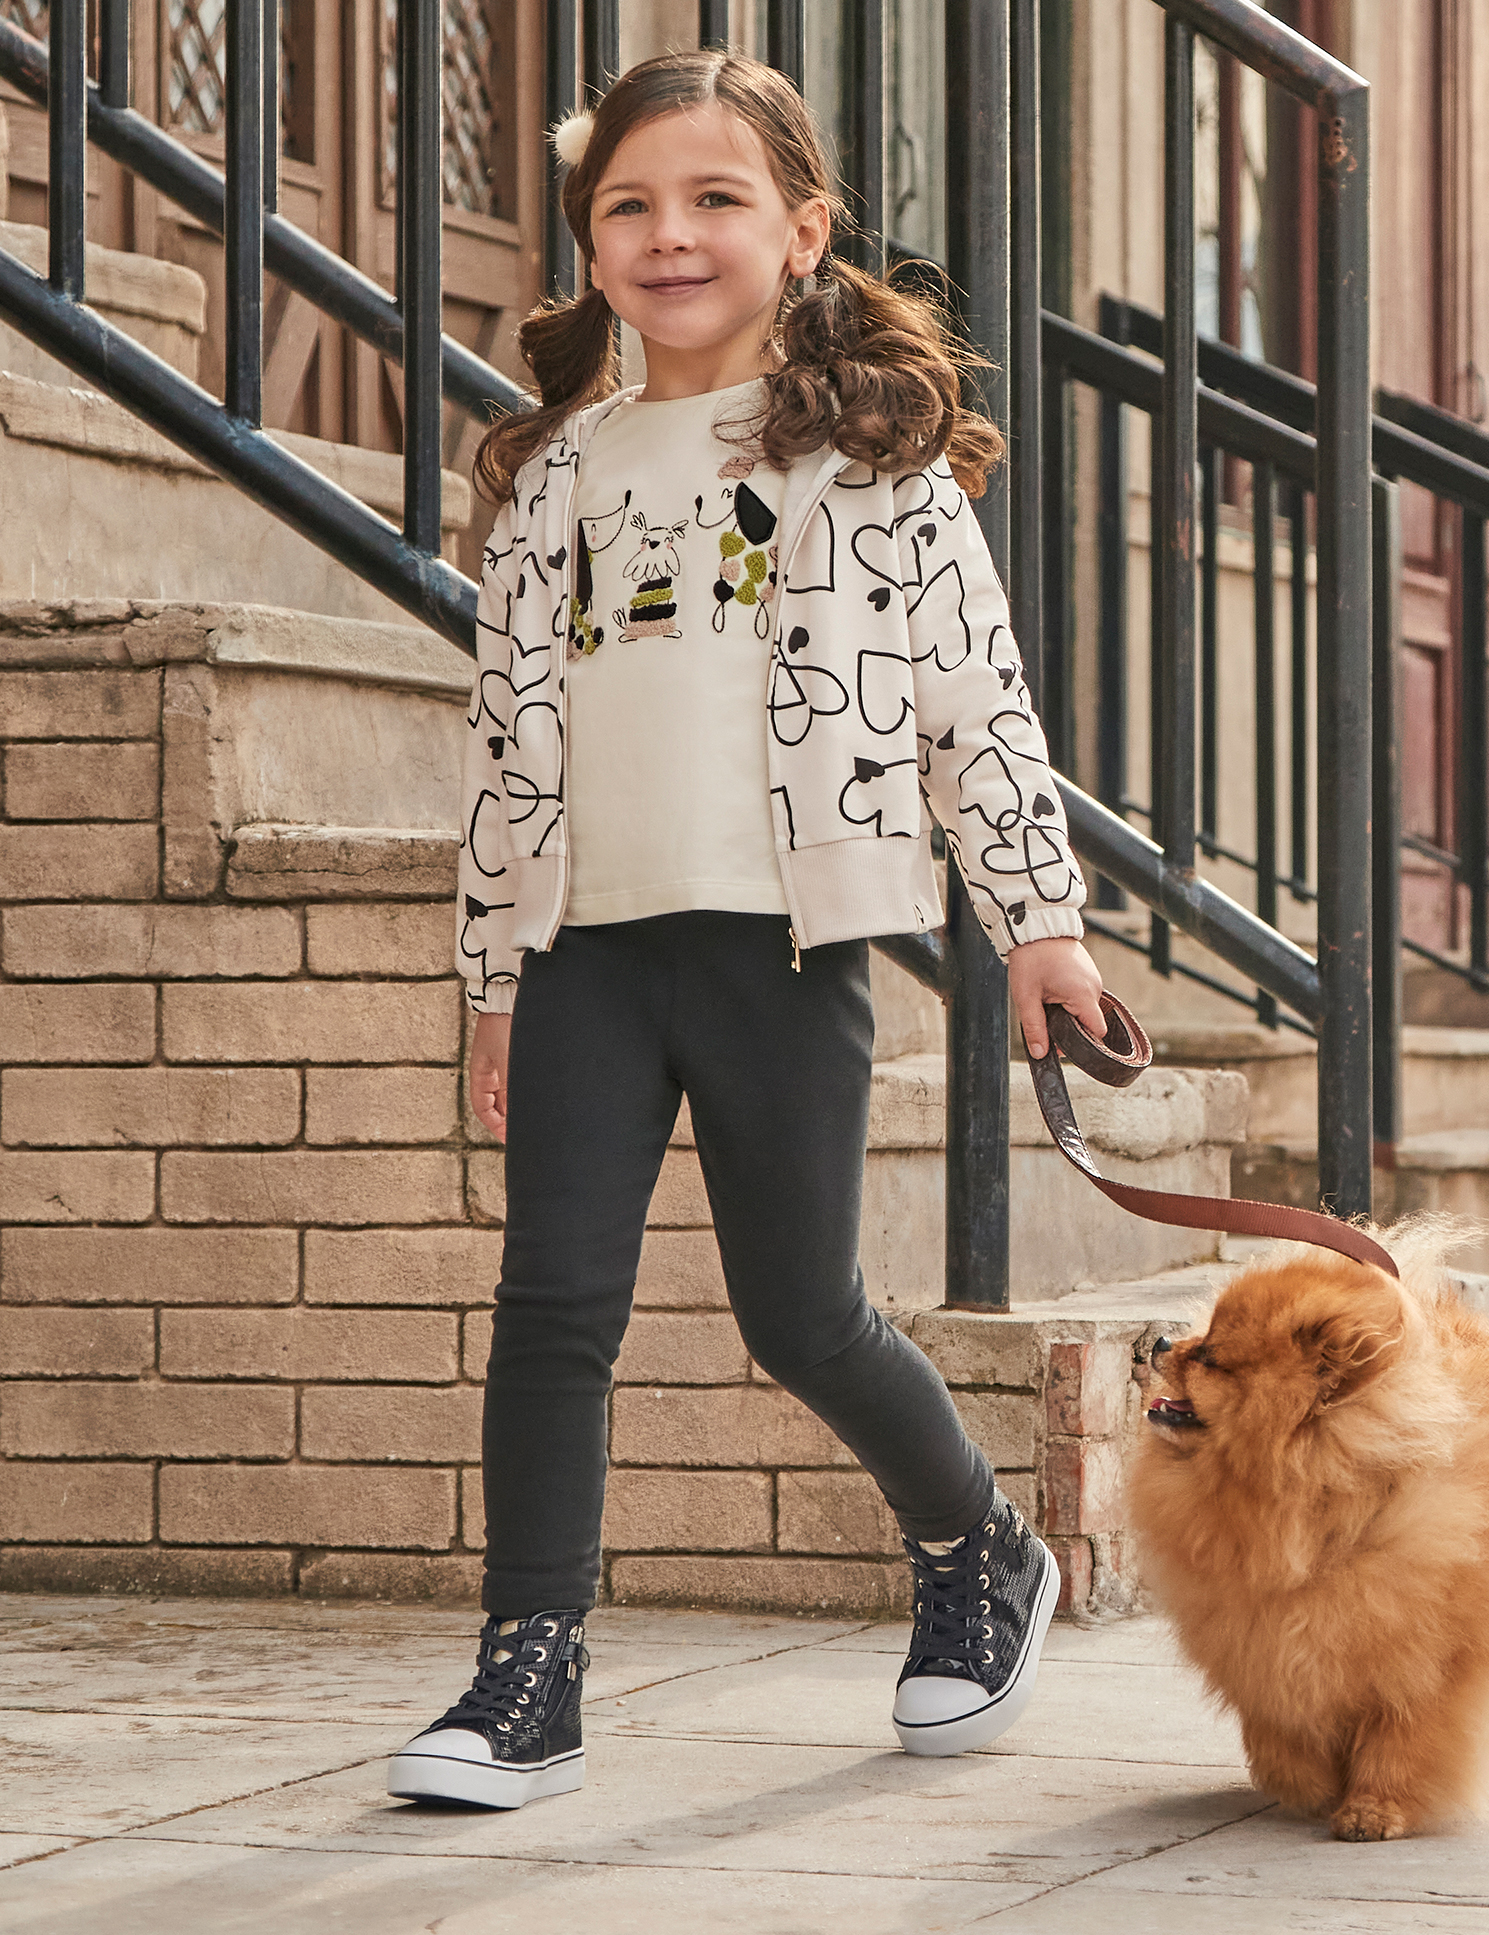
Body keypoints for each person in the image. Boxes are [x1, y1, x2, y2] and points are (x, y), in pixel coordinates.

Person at [387, 48, 1103, 1810]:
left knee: (802, 1316)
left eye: (714, 199)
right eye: (628, 204)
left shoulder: (880, 466)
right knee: (554, 1301)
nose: (669, 233)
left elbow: (975, 705)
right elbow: (505, 747)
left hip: (785, 947)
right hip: (585, 955)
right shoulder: (555, 471)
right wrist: (493, 980)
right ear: (590, 244)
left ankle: (981, 1555)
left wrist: (1038, 924)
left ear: (801, 232)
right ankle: (527, 1673)